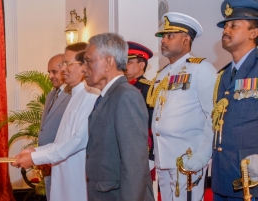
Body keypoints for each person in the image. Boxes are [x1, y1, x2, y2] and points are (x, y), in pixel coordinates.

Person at [12, 42, 99, 201]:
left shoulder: (91, 95)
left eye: (67, 63)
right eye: (62, 64)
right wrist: (35, 152)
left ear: (83, 65)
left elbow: (77, 140)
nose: (63, 69)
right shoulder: (74, 94)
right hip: (64, 176)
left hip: (77, 178)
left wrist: (35, 158)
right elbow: (61, 141)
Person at [148, 12, 217, 201]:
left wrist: (202, 156)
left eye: (170, 36)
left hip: (187, 158)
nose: (163, 41)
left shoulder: (201, 68)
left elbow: (214, 116)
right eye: (163, 37)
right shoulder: (162, 74)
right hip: (164, 157)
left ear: (186, 39)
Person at [83, 33, 154, 201]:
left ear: (108, 62)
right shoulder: (108, 96)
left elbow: (134, 162)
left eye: (89, 61)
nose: (84, 68)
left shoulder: (126, 96)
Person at [212, 1, 258, 200]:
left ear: (253, 33)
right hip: (224, 176)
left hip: (252, 177)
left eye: (233, 25)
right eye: (225, 26)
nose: (226, 30)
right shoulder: (223, 75)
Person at [37, 53, 71, 201]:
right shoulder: (51, 94)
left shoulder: (73, 94)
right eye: (49, 72)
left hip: (62, 160)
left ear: (65, 69)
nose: (50, 76)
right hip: (47, 161)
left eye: (54, 72)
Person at [124, 41, 155, 180]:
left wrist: (150, 154)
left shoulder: (148, 89)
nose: (124, 66)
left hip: (140, 149)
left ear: (141, 65)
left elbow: (151, 124)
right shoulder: (121, 88)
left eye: (129, 62)